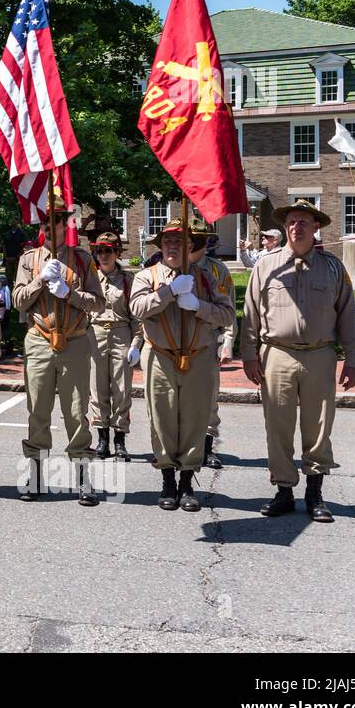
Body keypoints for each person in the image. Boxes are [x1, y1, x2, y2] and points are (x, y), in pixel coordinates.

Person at [242, 199, 355, 523]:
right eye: (292, 222)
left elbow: (347, 315)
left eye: (304, 222)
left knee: (318, 425)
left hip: (320, 354)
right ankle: (283, 490)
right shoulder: (266, 265)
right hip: (276, 353)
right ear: (284, 227)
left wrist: (352, 360)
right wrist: (249, 354)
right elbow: (250, 313)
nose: (297, 227)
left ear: (316, 227)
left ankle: (315, 492)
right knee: (277, 426)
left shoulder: (333, 267)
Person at [129, 219, 234, 511]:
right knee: (161, 418)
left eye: (179, 242)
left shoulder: (205, 278)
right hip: (160, 355)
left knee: (194, 418)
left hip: (198, 355)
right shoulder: (146, 276)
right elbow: (136, 308)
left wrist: (198, 306)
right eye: (168, 242)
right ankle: (167, 480)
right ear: (160, 246)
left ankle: (187, 481)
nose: (173, 246)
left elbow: (226, 315)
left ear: (190, 247)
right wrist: (169, 292)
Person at [13, 204, 104, 504]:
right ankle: (37, 475)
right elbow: (18, 300)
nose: (51, 228)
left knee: (77, 412)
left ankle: (82, 477)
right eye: (46, 223)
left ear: (67, 225)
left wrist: (71, 294)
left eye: (57, 221)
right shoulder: (29, 260)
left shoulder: (82, 259)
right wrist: (40, 281)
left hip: (75, 341)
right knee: (37, 410)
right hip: (39, 340)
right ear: (40, 228)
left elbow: (98, 304)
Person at [87, 232, 142, 463]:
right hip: (95, 334)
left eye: (108, 250)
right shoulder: (89, 279)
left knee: (121, 390)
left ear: (117, 252)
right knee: (97, 390)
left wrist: (136, 344)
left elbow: (138, 317)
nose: (103, 255)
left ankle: (120, 439)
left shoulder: (128, 281)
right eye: (99, 251)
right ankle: (102, 439)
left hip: (121, 334)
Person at [190, 220, 237, 469]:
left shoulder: (218, 270)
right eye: (191, 238)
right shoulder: (169, 266)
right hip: (178, 342)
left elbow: (229, 308)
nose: (195, 244)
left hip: (209, 339)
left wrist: (227, 341)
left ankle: (207, 448)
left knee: (209, 399)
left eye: (200, 239)